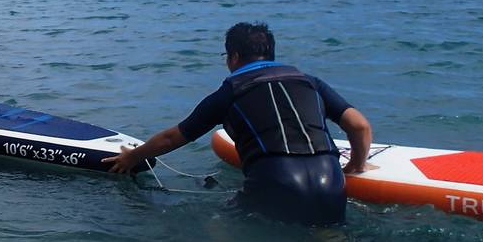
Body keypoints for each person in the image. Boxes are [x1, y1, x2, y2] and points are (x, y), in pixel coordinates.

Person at [103, 22, 372, 226]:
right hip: (331, 184)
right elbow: (359, 126)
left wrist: (132, 157)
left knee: (219, 230)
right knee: (330, 240)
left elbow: (173, 138)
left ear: (232, 57)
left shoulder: (231, 92)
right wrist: (357, 165)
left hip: (275, 183)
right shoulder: (310, 82)